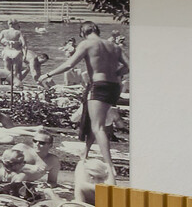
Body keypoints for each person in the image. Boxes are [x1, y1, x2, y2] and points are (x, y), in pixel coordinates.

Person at [40, 22, 128, 170]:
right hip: (114, 87)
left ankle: (109, 166)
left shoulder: (86, 44)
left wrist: (48, 74)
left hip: (98, 86)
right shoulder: (114, 46)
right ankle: (85, 153)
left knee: (98, 127)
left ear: (82, 32)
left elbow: (69, 64)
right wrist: (115, 73)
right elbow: (129, 66)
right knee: (95, 122)